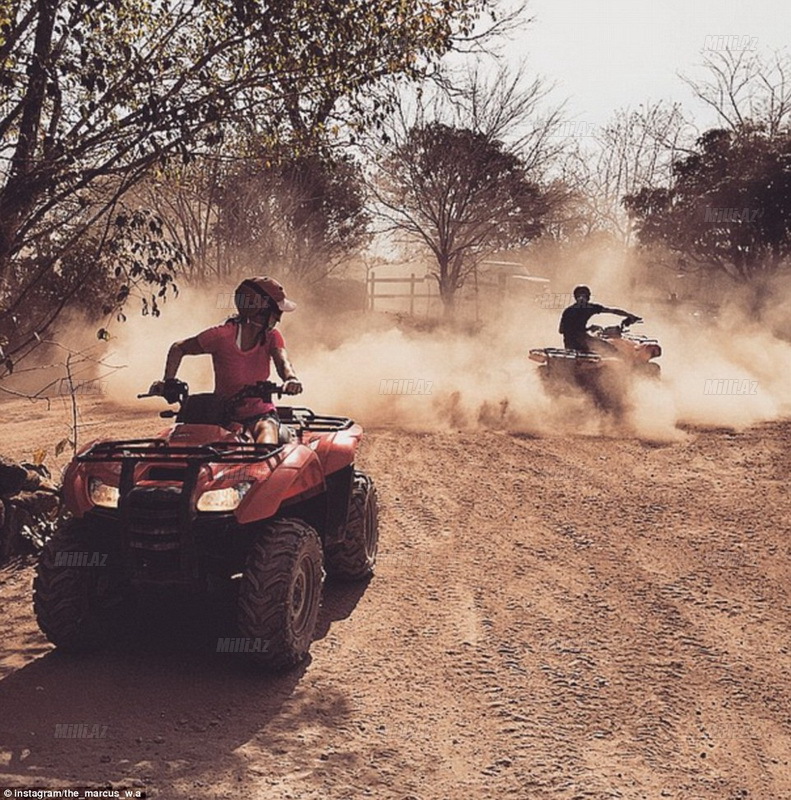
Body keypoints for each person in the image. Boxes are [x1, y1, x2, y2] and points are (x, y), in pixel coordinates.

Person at [148, 276, 302, 444]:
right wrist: (168, 382)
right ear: (259, 309)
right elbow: (179, 348)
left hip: (261, 416)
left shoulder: (272, 336)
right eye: (276, 311)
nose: (278, 317)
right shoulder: (221, 336)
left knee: (266, 440)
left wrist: (290, 379)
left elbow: (283, 362)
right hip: (222, 415)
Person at [559, 285, 641, 355]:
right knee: (612, 349)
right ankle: (620, 370)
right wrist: (630, 316)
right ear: (588, 297)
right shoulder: (589, 308)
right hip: (583, 341)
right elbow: (612, 311)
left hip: (569, 345)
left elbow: (561, 330)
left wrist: (587, 329)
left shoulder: (568, 310)